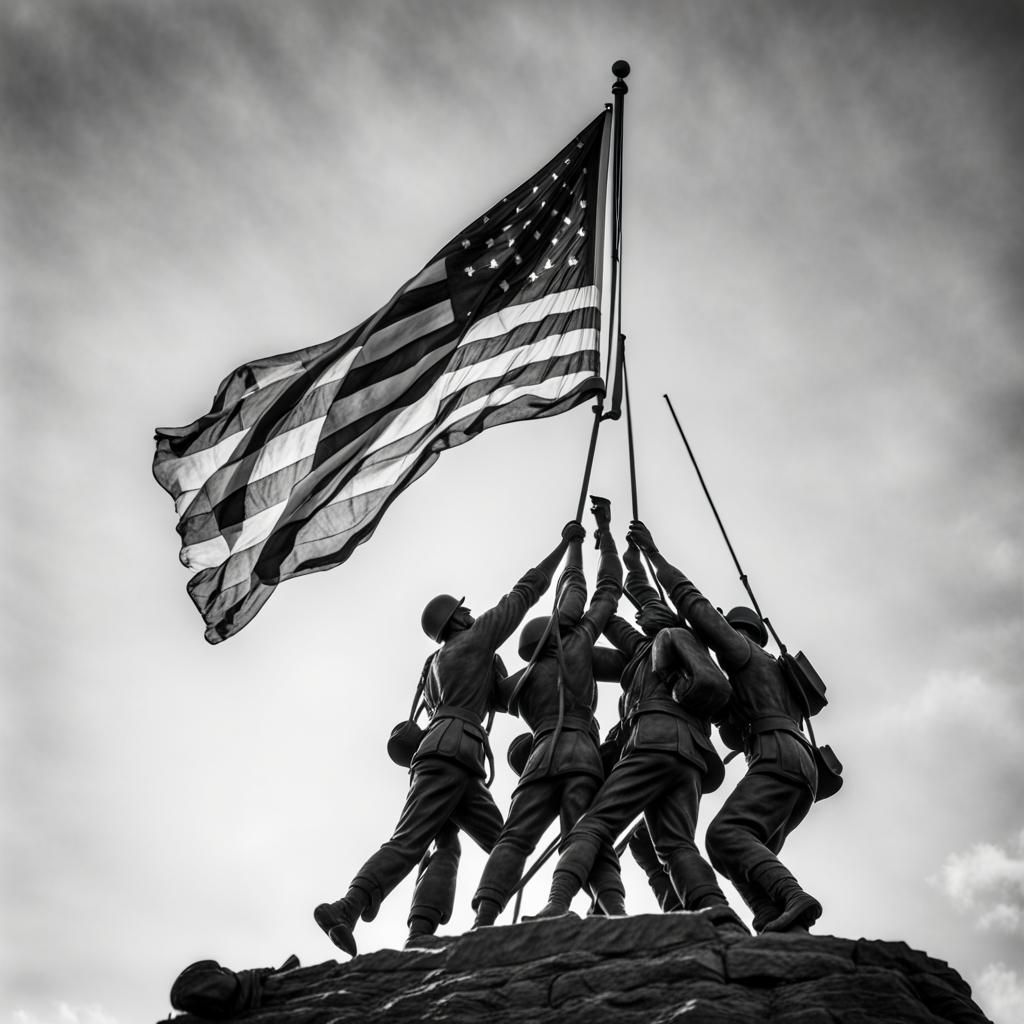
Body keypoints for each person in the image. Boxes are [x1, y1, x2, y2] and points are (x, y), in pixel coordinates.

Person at [313, 523, 581, 956]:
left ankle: (421, 932)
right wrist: (565, 546)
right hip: (454, 754)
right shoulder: (473, 641)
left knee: (501, 843)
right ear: (454, 620)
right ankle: (346, 907)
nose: (471, 612)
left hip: (452, 758)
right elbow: (524, 592)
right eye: (464, 610)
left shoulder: (439, 663)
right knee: (411, 840)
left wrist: (549, 666)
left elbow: (503, 697)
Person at [529, 544, 746, 932]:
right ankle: (720, 915)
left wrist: (634, 559)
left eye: (647, 610)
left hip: (654, 744)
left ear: (660, 615)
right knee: (676, 845)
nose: (640, 613)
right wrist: (617, 548)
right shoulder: (649, 648)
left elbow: (625, 605)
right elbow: (612, 617)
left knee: (594, 824)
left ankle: (557, 903)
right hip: (691, 758)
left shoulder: (671, 637)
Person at [627, 520, 821, 934]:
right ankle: (775, 920)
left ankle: (792, 898)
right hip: (800, 766)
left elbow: (690, 600)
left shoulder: (744, 652)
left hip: (774, 754)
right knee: (745, 851)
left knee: (724, 835)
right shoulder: (774, 672)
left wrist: (654, 554)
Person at [472, 499, 625, 927]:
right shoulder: (576, 644)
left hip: (537, 759)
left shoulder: (516, 685)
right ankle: (614, 910)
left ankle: (485, 918)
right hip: (580, 752)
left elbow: (482, 694)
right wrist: (596, 537)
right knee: (587, 834)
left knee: (514, 838)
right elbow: (601, 588)